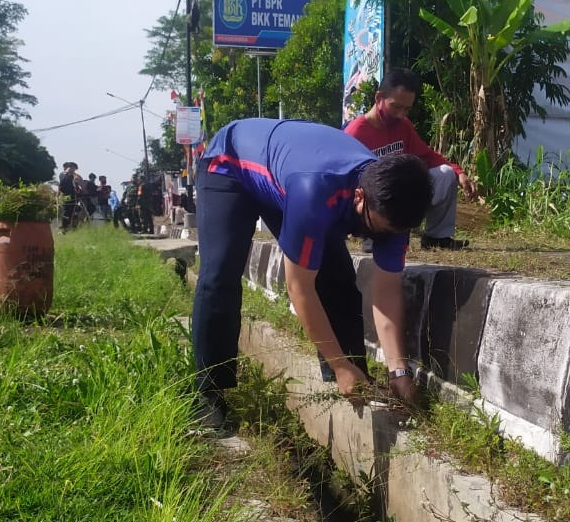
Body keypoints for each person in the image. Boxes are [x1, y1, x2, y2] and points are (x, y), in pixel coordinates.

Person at [191, 118, 432, 428]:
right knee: (219, 276)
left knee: (340, 277)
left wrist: (398, 370)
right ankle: (209, 394)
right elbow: (300, 288)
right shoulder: (317, 192)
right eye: (381, 229)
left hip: (288, 175)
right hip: (230, 164)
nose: (387, 237)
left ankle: (353, 379)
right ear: (359, 198)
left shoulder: (393, 208)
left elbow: (385, 292)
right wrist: (338, 364)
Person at [345, 67, 478, 250]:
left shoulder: (403, 125)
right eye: (396, 106)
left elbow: (427, 156)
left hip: (401, 199)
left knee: (445, 174)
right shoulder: (355, 133)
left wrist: (459, 172)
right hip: (372, 207)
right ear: (378, 98)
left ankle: (436, 238)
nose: (401, 114)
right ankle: (374, 235)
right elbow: (344, 181)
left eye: (406, 109)